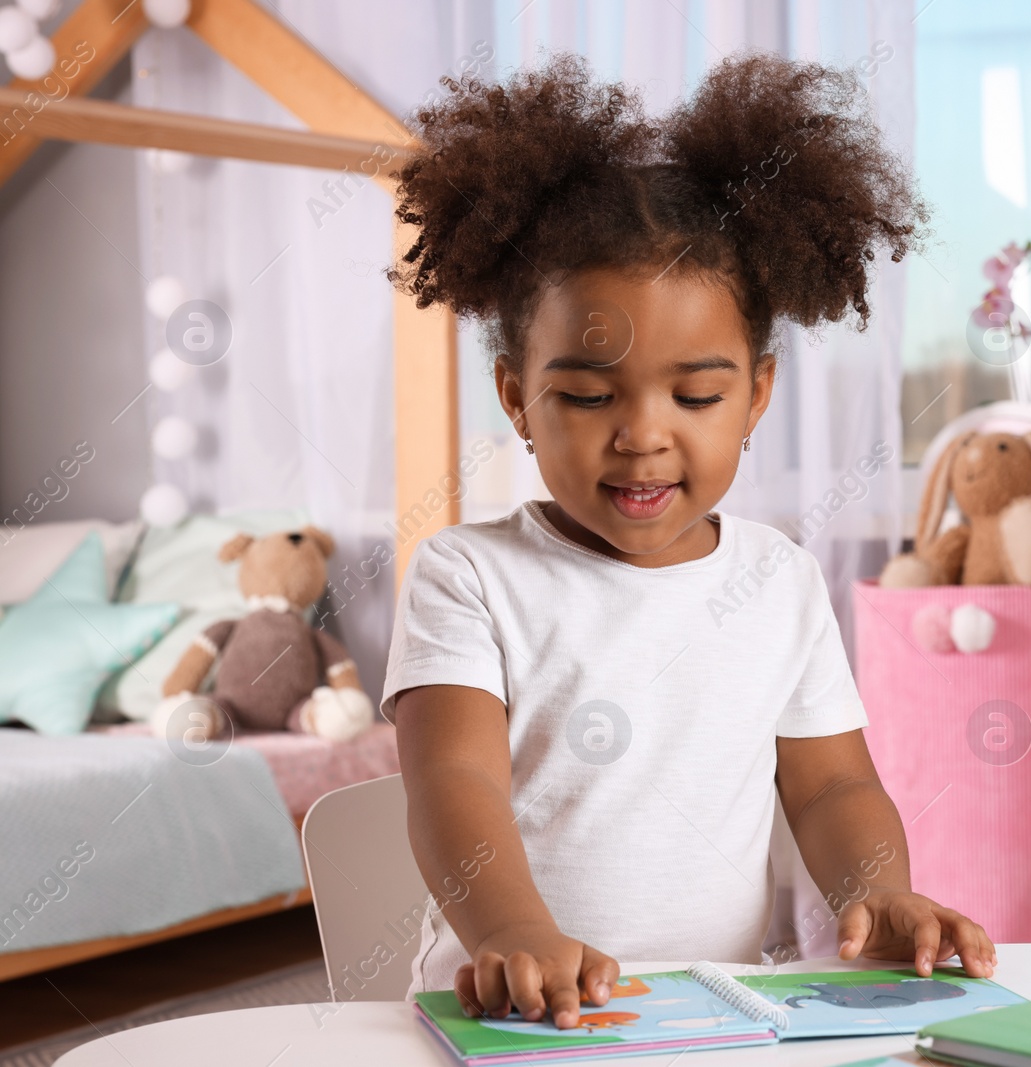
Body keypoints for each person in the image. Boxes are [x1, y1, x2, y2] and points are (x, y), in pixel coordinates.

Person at [381, 49, 994, 1031]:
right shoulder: (470, 574)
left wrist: (876, 891)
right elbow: (453, 778)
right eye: (586, 395)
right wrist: (512, 928)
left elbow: (833, 781)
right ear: (518, 400)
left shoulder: (777, 578)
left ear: (754, 394)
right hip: (511, 1013)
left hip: (717, 1014)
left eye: (696, 393)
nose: (642, 433)